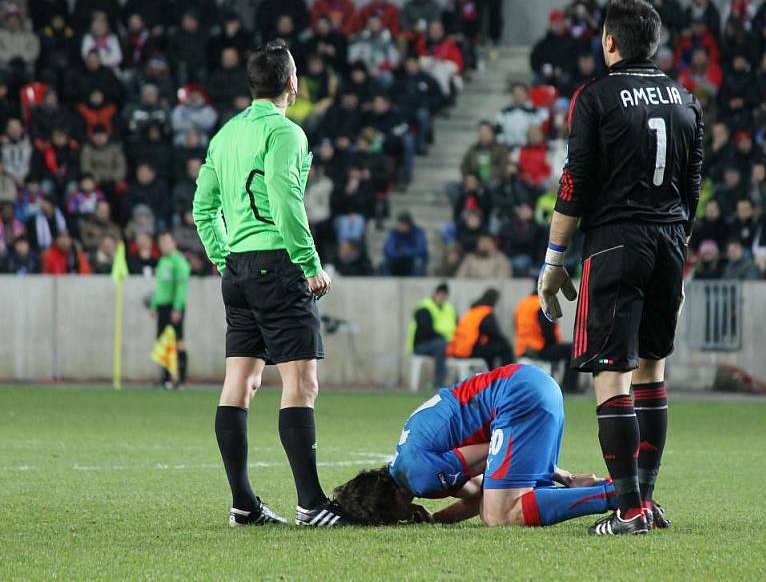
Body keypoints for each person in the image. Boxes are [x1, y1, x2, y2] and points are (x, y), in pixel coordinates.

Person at [537, 0, 703, 535]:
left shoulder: (595, 97)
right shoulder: (686, 100)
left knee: (612, 374)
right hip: (670, 239)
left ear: (610, 40)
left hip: (615, 242)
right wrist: (674, 244)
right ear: (652, 44)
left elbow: (575, 183)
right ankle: (646, 502)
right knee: (653, 368)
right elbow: (693, 188)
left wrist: (554, 261)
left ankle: (628, 508)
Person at [193, 40, 345, 527]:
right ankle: (311, 504)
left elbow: (202, 209)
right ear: (291, 84)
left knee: (240, 383)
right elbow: (284, 198)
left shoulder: (225, 136)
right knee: (300, 383)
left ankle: (243, 504)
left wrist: (224, 258)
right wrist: (309, 262)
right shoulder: (286, 134)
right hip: (277, 265)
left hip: (238, 268)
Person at [333, 364, 665, 528]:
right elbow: (480, 490)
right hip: (526, 386)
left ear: (387, 508)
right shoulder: (405, 461)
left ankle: (621, 496)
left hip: (518, 398)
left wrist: (558, 476)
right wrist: (438, 520)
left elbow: (487, 460)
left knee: (499, 514)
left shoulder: (420, 477)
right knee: (499, 502)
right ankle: (624, 496)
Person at [515, 288, 579, 392]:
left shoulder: (523, 303)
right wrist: (554, 342)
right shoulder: (542, 305)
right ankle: (569, 386)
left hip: (523, 349)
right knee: (572, 350)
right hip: (539, 349)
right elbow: (548, 331)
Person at [150, 231, 191, 389]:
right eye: (162, 242)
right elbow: (160, 287)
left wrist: (177, 308)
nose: (164, 245)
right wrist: (154, 305)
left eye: (167, 242)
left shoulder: (179, 262)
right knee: (163, 343)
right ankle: (166, 379)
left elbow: (181, 287)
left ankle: (181, 379)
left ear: (174, 243)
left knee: (178, 342)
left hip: (173, 307)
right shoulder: (162, 261)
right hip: (162, 307)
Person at [407, 282, 458, 388]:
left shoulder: (449, 308)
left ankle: (459, 385)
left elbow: (457, 325)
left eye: (444, 295)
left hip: (446, 343)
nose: (442, 297)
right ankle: (439, 382)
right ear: (435, 294)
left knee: (459, 348)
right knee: (440, 346)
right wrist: (442, 338)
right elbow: (425, 330)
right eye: (440, 294)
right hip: (422, 344)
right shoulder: (424, 307)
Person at [448, 288, 513, 369]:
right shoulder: (485, 312)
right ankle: (509, 375)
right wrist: (505, 341)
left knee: (491, 347)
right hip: (469, 351)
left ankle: (489, 373)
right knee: (504, 346)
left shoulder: (472, 311)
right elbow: (495, 334)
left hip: (459, 350)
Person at [383, 212, 428, 276]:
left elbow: (421, 249)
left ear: (407, 225)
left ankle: (416, 284)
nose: (398, 226)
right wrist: (398, 254)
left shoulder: (418, 232)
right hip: (398, 260)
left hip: (411, 261)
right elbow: (388, 249)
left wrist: (405, 252)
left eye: (401, 224)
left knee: (418, 262)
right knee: (385, 262)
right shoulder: (394, 233)